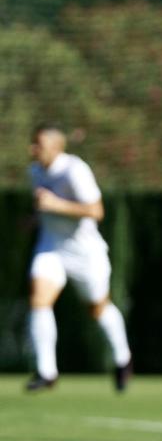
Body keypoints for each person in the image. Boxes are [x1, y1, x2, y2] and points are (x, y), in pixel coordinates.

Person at [23, 126, 133, 392]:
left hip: (84, 251)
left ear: (56, 147)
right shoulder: (34, 172)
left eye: (38, 145)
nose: (33, 150)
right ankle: (47, 371)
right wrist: (34, 220)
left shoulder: (75, 170)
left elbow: (96, 210)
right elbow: (45, 207)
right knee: (39, 298)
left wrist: (55, 205)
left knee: (97, 308)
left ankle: (122, 357)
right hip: (51, 247)